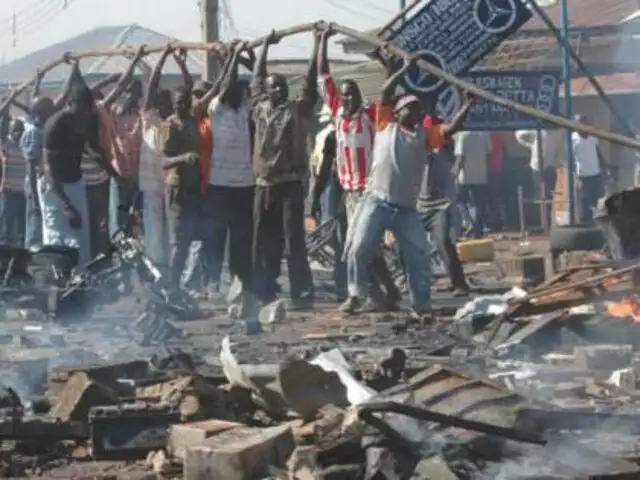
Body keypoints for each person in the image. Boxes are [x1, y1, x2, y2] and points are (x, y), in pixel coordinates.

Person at [343, 56, 474, 319]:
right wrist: (402, 68)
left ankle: (421, 305)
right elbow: (386, 91)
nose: (415, 113)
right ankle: (356, 294)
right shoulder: (384, 124)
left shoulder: (425, 136)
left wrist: (469, 104)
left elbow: (451, 129)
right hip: (377, 201)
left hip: (406, 210)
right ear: (398, 111)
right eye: (410, 109)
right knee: (360, 247)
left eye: (418, 110)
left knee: (419, 255)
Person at [313, 27, 400, 309]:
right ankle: (386, 291)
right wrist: (321, 41)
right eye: (345, 95)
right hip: (348, 192)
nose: (348, 99)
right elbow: (323, 76)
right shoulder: (338, 114)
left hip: (369, 191)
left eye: (353, 95)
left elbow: (388, 92)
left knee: (355, 245)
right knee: (368, 248)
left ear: (360, 98)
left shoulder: (371, 117)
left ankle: (356, 295)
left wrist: (390, 66)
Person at [250, 29, 320, 309]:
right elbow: (256, 77)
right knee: (260, 240)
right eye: (274, 86)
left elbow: (310, 82)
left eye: (282, 85)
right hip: (263, 184)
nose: (279, 89)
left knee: (294, 243)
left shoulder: (297, 110)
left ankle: (302, 295)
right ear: (267, 91)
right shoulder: (259, 108)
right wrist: (264, 45)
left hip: (289, 182)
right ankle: (263, 290)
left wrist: (318, 43)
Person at [41, 85, 125, 266]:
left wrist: (116, 176)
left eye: (87, 111)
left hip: (76, 184)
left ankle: (80, 287)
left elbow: (95, 150)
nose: (83, 116)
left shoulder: (86, 119)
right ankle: (56, 287)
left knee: (81, 243)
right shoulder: (55, 125)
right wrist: (65, 204)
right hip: (55, 189)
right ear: (69, 104)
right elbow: (49, 168)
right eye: (79, 111)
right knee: (58, 242)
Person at [201, 42, 256, 305]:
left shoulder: (245, 109)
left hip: (245, 184)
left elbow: (258, 76)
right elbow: (226, 84)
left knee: (241, 238)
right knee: (216, 236)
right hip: (219, 184)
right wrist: (232, 56)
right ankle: (212, 282)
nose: (239, 93)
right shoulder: (217, 107)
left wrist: (248, 56)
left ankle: (239, 281)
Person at [160, 64, 215, 289]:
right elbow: (164, 161)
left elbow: (215, 89)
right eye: (177, 104)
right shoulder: (169, 126)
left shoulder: (193, 116)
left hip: (194, 187)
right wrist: (183, 157)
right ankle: (172, 286)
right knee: (179, 243)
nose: (181, 107)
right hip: (177, 189)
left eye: (184, 103)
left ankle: (189, 284)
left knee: (198, 237)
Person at [139, 45, 191, 269]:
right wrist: (161, 60)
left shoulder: (173, 122)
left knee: (173, 232)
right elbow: (150, 90)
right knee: (154, 231)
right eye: (162, 102)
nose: (165, 105)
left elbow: (187, 88)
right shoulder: (149, 119)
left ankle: (172, 271)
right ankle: (155, 270)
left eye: (168, 103)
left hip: (171, 183)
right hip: (151, 184)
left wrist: (181, 63)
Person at [416, 113, 470, 296]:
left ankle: (460, 284)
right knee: (407, 245)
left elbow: (451, 132)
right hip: (418, 204)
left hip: (440, 205)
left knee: (443, 243)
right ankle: (415, 283)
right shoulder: (416, 145)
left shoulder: (445, 146)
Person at [571, 114, 609, 223]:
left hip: (596, 174)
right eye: (580, 122)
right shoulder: (572, 139)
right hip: (583, 177)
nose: (583, 124)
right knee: (585, 203)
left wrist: (605, 165)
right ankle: (585, 226)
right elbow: (571, 159)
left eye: (584, 122)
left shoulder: (593, 137)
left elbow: (597, 151)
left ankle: (599, 224)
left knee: (600, 201)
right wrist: (577, 178)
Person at [453, 130, 491, 238]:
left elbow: (460, 158)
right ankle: (478, 230)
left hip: (465, 177)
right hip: (481, 175)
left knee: (460, 201)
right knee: (479, 204)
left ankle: (469, 223)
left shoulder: (461, 135)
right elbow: (489, 154)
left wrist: (453, 174)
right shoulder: (484, 133)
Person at [0, 116, 27, 247]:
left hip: (23, 193)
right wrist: (9, 101)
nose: (18, 132)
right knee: (5, 230)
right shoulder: (6, 144)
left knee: (21, 231)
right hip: (8, 193)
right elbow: (2, 128)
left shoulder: (25, 145)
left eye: (20, 129)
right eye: (15, 129)